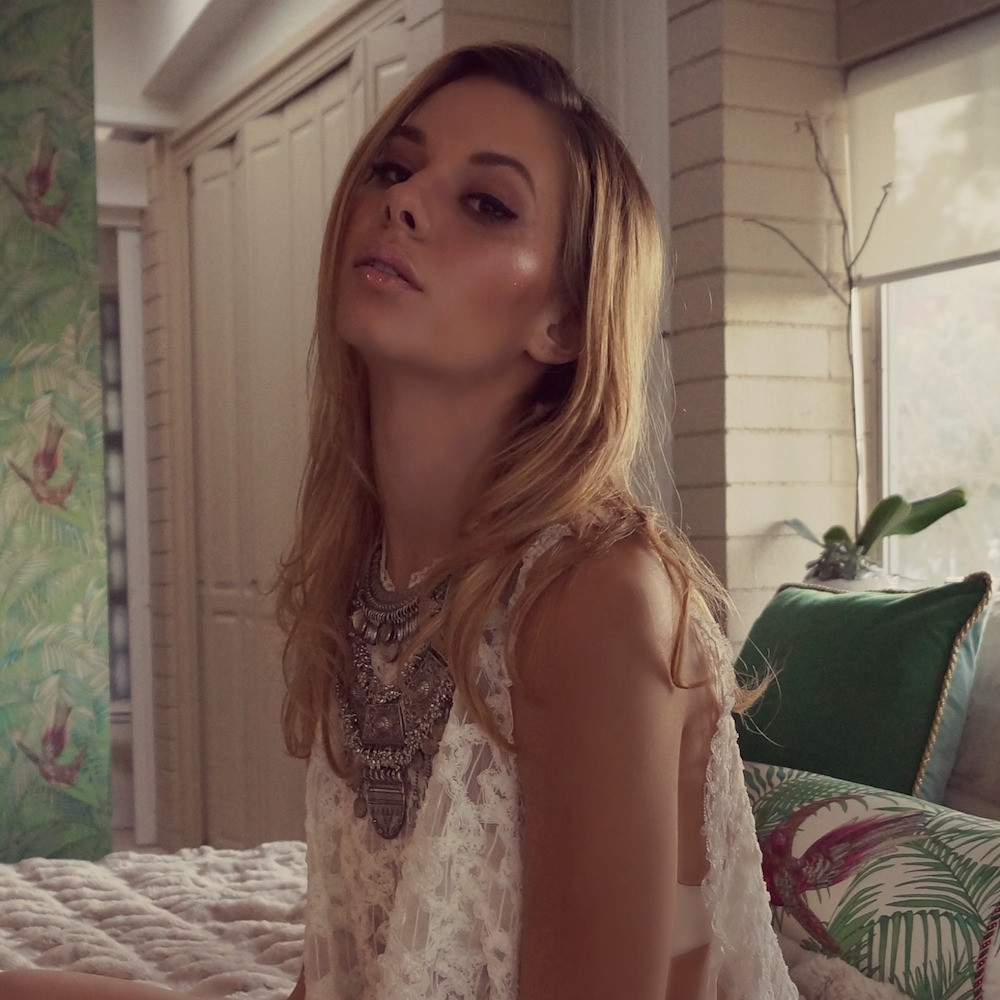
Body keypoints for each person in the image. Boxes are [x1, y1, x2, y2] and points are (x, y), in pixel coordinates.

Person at [0, 42, 798, 1000]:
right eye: (394, 167)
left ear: (564, 321)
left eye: (487, 203)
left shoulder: (597, 597)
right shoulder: (371, 579)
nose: (405, 200)